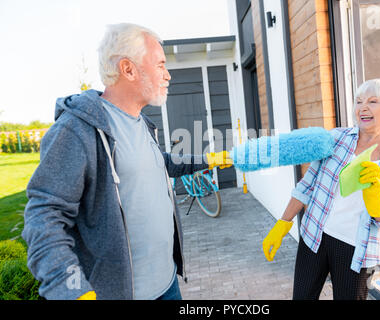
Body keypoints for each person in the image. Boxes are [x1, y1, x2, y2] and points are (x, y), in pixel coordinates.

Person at [22, 23, 232, 300]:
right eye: (160, 65)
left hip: (168, 284)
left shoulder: (142, 123)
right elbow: (43, 218)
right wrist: (73, 291)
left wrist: (206, 160)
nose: (168, 75)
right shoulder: (76, 129)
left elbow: (160, 163)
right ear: (128, 69)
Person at [262, 79, 380, 300]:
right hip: (314, 235)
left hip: (357, 249)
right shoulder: (335, 138)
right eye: (358, 101)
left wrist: (376, 205)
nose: (362, 107)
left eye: (373, 101)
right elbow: (306, 186)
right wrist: (282, 224)